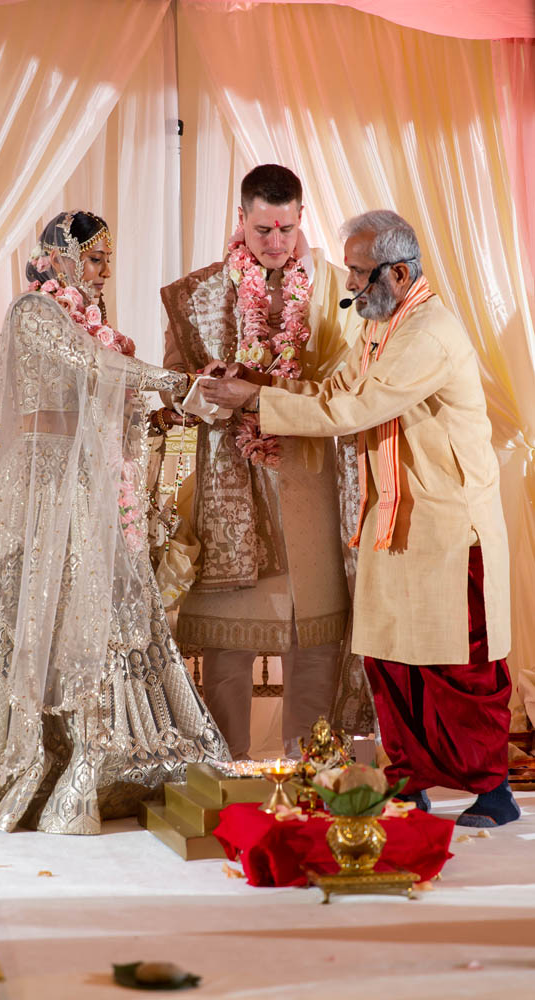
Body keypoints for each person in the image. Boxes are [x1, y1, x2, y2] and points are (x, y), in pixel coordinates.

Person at [0, 211, 229, 835]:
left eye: (108, 260)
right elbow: (91, 365)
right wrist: (169, 380)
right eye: (95, 258)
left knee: (96, 611)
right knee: (20, 608)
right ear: (62, 257)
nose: (104, 272)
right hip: (39, 486)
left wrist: (158, 400)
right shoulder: (34, 312)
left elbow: (108, 386)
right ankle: (25, 753)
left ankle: (94, 751)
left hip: (85, 485)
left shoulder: (90, 321)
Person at [201, 209, 520, 827]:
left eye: (358, 272)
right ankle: (409, 781)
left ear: (398, 274)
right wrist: (255, 380)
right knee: (392, 657)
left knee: (460, 662)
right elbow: (330, 389)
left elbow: (355, 409)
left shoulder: (427, 333)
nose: (348, 285)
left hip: (449, 525)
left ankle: (493, 792)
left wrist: (258, 402)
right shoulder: (382, 327)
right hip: (393, 519)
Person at [161, 164, 362, 759]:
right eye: (262, 230)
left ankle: (313, 767)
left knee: (317, 630)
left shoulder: (335, 288)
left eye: (287, 228)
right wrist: (202, 390)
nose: (276, 244)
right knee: (228, 639)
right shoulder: (194, 296)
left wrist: (265, 396)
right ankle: (231, 773)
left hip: (309, 474)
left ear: (301, 218)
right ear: (240, 220)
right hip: (229, 480)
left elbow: (349, 389)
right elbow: (174, 392)